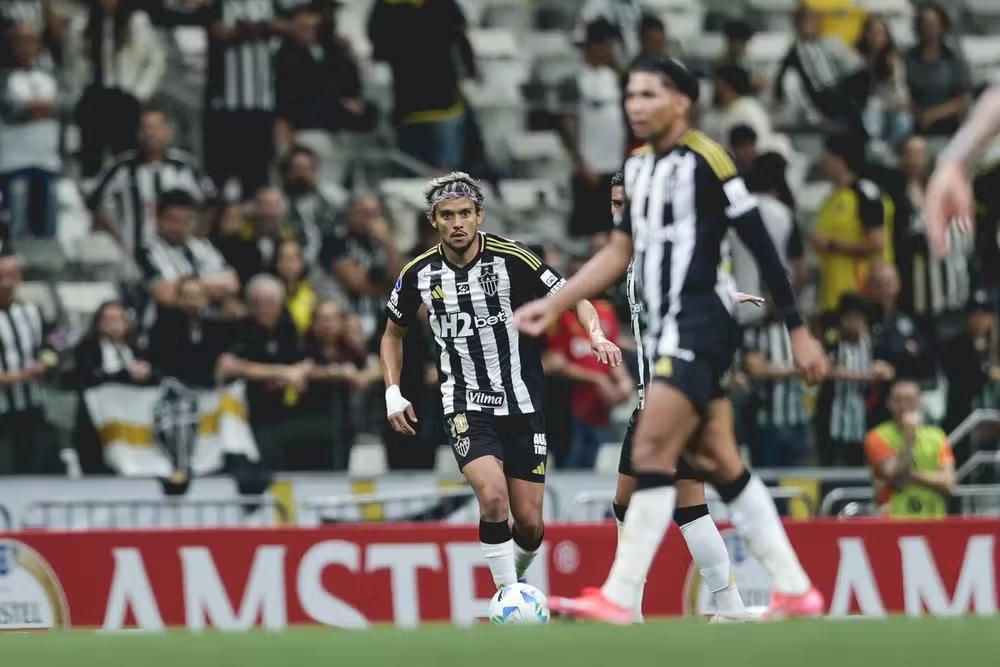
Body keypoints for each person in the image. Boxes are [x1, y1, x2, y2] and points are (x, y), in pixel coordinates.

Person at [515, 57, 829, 622]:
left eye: (648, 94)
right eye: (629, 94)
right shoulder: (635, 167)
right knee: (720, 462)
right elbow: (618, 252)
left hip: (701, 322)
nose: (635, 104)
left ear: (681, 102)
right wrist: (553, 304)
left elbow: (759, 242)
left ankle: (620, 596)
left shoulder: (707, 159)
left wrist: (798, 331)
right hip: (667, 332)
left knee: (653, 452)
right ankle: (794, 588)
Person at [381, 171, 621, 590]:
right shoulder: (417, 273)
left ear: (480, 215)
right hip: (464, 404)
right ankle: (507, 599)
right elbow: (392, 334)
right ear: (434, 221)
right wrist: (392, 392)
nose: (457, 223)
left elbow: (573, 295)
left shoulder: (513, 258)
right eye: (447, 215)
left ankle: (516, 579)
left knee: (529, 525)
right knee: (493, 498)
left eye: (465, 214)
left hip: (523, 404)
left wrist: (596, 334)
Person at [606, 173, 753, 621]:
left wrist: (721, 296)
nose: (618, 212)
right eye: (614, 204)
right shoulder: (636, 256)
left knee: (632, 507)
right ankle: (729, 606)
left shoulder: (657, 252)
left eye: (625, 203)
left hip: (668, 402)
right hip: (667, 399)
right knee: (687, 508)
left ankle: (627, 609)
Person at [87, 105, 217, 257]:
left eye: (156, 128)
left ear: (168, 132)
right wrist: (115, 239)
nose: (150, 134)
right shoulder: (122, 167)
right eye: (145, 128)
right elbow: (93, 202)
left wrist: (197, 238)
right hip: (134, 254)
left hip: (178, 256)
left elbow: (212, 202)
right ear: (137, 133)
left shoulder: (184, 166)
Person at [217, 274, 312, 471]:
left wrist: (297, 372)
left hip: (280, 410)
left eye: (270, 303)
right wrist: (280, 373)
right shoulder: (240, 328)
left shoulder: (287, 327)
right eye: (257, 303)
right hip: (243, 412)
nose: (263, 309)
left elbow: (304, 362)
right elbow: (226, 366)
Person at [368, 0, 476, 170]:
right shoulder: (387, 5)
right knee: (415, 170)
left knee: (445, 171)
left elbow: (460, 39)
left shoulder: (443, 4)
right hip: (411, 104)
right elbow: (378, 49)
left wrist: (471, 70)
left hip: (442, 102)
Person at [544, 264, 632, 469]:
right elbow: (555, 363)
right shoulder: (560, 314)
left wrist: (623, 379)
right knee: (572, 466)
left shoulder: (606, 311)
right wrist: (597, 379)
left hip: (602, 405)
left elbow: (612, 348)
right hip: (570, 407)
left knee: (601, 467)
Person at [64, 0, 165, 177]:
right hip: (93, 96)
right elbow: (72, 64)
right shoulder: (81, 23)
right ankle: (92, 196)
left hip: (124, 96)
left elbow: (155, 60)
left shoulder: (137, 21)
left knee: (125, 155)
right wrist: (77, 95)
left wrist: (139, 92)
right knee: (91, 155)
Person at [201, 0, 291, 197]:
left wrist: (255, 28)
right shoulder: (218, 4)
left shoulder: (271, 3)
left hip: (263, 106)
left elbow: (292, 27)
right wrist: (265, 28)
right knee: (221, 179)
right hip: (226, 106)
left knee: (257, 179)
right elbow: (219, 32)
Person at [888, 135, 972, 341]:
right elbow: (897, 243)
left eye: (921, 153)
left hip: (953, 290)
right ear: (901, 158)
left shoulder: (942, 191)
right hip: (916, 291)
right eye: (911, 153)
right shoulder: (895, 196)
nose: (917, 159)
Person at [560, 18, 626, 238]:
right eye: (606, 45)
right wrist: (581, 163)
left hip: (613, 167)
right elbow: (567, 124)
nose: (610, 50)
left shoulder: (616, 78)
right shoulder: (576, 79)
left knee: (612, 229)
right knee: (588, 232)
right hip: (590, 168)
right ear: (593, 46)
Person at [136, 189, 240, 327]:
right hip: (165, 325)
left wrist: (184, 286)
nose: (179, 227)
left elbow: (232, 284)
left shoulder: (203, 246)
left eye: (186, 221)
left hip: (208, 323)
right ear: (158, 219)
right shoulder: (146, 252)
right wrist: (211, 288)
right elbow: (164, 294)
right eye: (173, 220)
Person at [71, 300, 152, 473]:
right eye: (108, 320)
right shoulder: (86, 349)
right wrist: (125, 373)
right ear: (98, 323)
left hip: (130, 423)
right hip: (96, 426)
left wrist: (145, 373)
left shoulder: (136, 349)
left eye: (118, 320)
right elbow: (88, 378)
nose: (113, 325)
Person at [815, 293, 894, 467]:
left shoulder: (872, 345)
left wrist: (882, 371)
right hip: (832, 414)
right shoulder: (832, 343)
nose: (853, 323)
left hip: (862, 415)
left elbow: (888, 370)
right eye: (849, 318)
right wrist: (866, 375)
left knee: (858, 463)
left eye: (858, 318)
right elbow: (827, 370)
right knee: (830, 464)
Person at [813, 131, 887, 314]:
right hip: (831, 294)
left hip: (858, 292)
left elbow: (877, 243)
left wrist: (832, 245)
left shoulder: (864, 194)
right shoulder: (829, 199)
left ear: (840, 159)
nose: (823, 162)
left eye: (827, 156)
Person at [0, 22, 61, 240]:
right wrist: (43, 108)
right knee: (16, 232)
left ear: (39, 45)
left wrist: (30, 107)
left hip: (47, 163)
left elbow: (67, 107)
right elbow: (10, 111)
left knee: (47, 233)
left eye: (30, 40)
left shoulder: (51, 75)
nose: (24, 46)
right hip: (14, 164)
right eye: (19, 40)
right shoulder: (4, 77)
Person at [0, 254, 58, 474]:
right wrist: (19, 376)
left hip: (31, 403)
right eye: (0, 277)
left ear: (19, 278)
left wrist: (46, 363)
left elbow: (58, 338)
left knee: (30, 467)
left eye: (11, 276)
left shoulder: (31, 311)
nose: (6, 283)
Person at [865, 379, 955, 518]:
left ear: (920, 401)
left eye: (909, 400)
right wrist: (908, 437)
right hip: (894, 518)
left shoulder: (937, 436)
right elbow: (895, 478)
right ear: (888, 403)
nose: (904, 406)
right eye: (897, 400)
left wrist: (909, 475)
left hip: (933, 517)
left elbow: (948, 482)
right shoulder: (877, 436)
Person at [774, 3, 866, 133]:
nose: (807, 25)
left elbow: (857, 69)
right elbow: (791, 85)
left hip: (841, 94)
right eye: (802, 21)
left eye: (811, 20)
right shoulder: (794, 52)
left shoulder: (832, 42)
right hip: (818, 100)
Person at [300, 299, 370, 470]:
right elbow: (299, 371)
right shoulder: (303, 347)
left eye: (332, 319)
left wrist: (360, 376)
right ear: (314, 323)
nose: (327, 324)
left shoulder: (350, 350)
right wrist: (334, 372)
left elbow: (370, 368)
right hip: (310, 422)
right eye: (322, 319)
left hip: (344, 422)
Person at [320, 193, 401, 340]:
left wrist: (389, 243)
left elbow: (400, 279)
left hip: (383, 314)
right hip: (350, 316)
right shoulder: (335, 241)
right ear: (350, 213)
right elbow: (360, 285)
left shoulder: (381, 242)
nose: (371, 219)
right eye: (365, 213)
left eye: (375, 213)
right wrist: (387, 284)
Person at [905, 2, 971, 136]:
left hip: (947, 129)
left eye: (933, 24)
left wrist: (933, 115)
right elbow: (901, 93)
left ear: (942, 26)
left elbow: (963, 99)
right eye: (925, 24)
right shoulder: (908, 59)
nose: (929, 28)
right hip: (914, 130)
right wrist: (918, 114)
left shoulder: (953, 60)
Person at [940, 291, 1000, 432]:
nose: (980, 319)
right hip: (965, 409)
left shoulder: (996, 345)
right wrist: (988, 375)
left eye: (985, 314)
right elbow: (959, 378)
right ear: (967, 317)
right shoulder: (953, 345)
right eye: (975, 314)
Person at [281, 144, 342, 267]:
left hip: (329, 265)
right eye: (296, 168)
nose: (301, 174)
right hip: (292, 264)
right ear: (287, 172)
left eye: (306, 168)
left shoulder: (332, 202)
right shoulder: (279, 204)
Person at [854, 14, 911, 145]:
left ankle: (890, 148)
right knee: (874, 109)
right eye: (872, 32)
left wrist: (900, 103)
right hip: (867, 106)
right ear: (865, 34)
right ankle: (876, 147)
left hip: (892, 104)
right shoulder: (857, 58)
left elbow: (899, 87)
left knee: (903, 121)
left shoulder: (894, 60)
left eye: (880, 33)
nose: (876, 37)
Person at [703, 64, 772, 151]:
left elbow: (759, 147)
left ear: (724, 85)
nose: (713, 87)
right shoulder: (714, 113)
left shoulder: (750, 111)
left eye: (716, 82)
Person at [273, 238, 318, 336]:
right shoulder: (268, 290)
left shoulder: (313, 290)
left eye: (293, 259)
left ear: (302, 262)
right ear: (276, 263)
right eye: (283, 258)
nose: (289, 264)